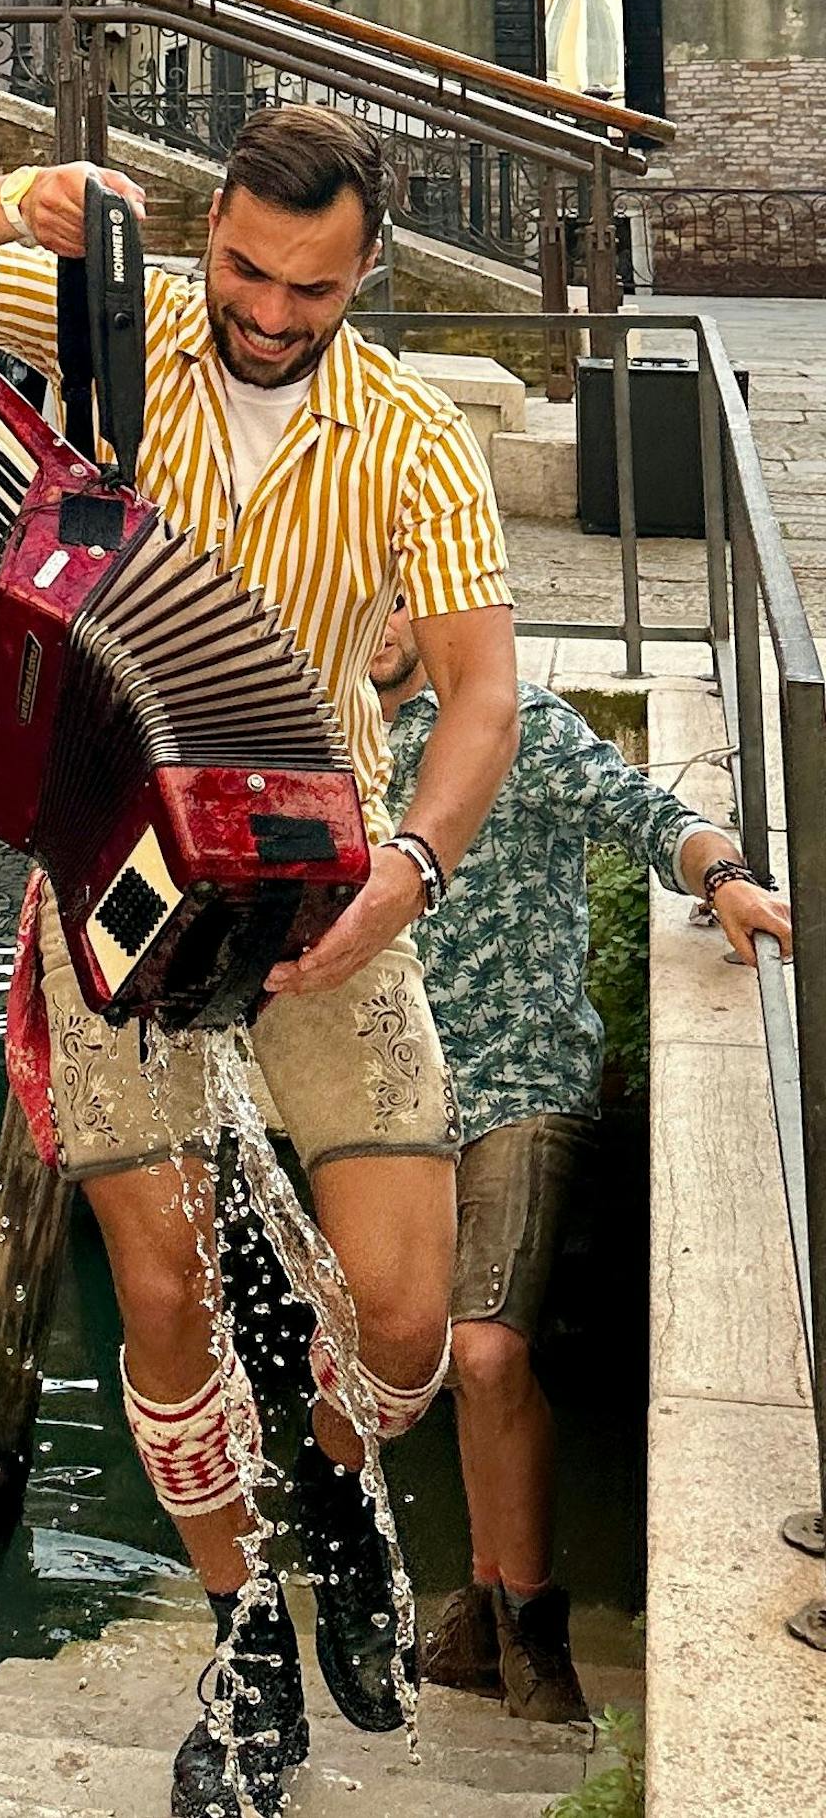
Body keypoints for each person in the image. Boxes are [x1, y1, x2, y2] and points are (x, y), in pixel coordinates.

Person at [0, 106, 521, 1818]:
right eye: (244, 264)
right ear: (206, 230)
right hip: (107, 885)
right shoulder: (119, 325)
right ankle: (242, 1637)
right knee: (158, 1286)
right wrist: (25, 195)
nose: (273, 308)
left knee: (399, 1314)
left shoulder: (409, 435)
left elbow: (486, 691)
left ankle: (335, 1478)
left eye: (313, 283)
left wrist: (414, 867)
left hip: (324, 880)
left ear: (364, 267)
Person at [374, 598, 792, 1722]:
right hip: (393, 1092)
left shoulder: (513, 723)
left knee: (487, 1349)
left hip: (520, 1082)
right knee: (412, 1360)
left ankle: (534, 1629)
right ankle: (473, 1613)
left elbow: (653, 817)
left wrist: (728, 881)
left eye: (390, 593)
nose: (366, 619)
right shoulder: (332, 744)